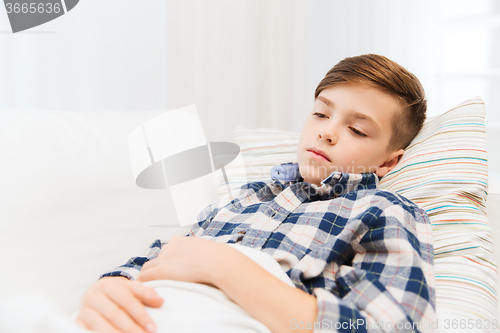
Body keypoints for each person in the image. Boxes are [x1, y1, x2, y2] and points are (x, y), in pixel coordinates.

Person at [75, 54, 435, 333]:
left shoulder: (385, 211)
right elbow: (168, 256)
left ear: (389, 162)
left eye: (356, 130)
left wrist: (226, 266)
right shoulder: (245, 198)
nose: (327, 132)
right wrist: (109, 288)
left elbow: (391, 325)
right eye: (321, 114)